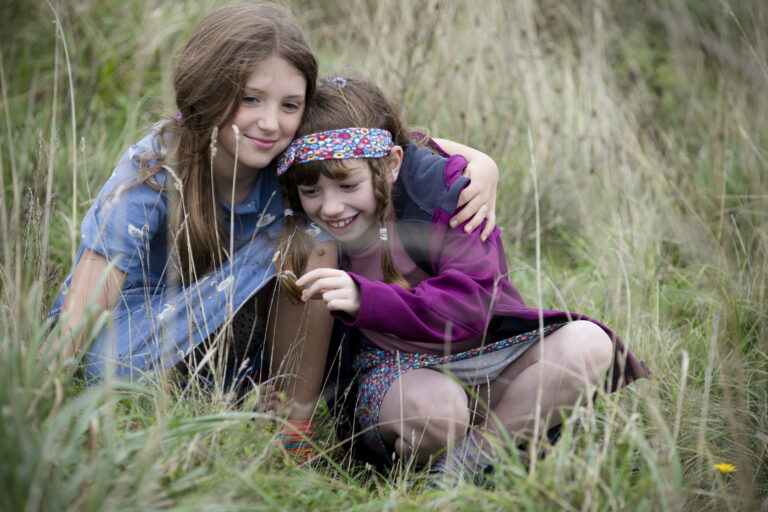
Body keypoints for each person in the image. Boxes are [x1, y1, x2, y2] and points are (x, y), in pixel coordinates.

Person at [45, 3, 500, 461]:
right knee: (311, 240)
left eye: (290, 106)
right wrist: (50, 387)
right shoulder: (160, 164)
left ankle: (290, 428)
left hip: (219, 344)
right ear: (207, 90)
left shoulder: (290, 156)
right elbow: (98, 275)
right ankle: (224, 401)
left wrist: (482, 164)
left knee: (308, 243)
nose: (269, 123)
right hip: (127, 339)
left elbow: (389, 141)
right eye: (250, 99)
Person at [276, 76, 650, 480]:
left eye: (348, 185)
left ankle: (464, 465)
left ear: (391, 166)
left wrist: (365, 298)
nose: (331, 207)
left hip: (485, 353)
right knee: (441, 412)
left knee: (593, 345)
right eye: (312, 191)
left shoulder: (450, 194)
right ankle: (510, 434)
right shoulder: (307, 228)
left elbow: (470, 306)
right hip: (395, 374)